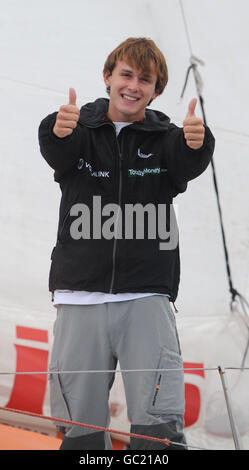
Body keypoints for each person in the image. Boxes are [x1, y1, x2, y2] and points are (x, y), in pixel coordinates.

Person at [38, 37, 215, 450]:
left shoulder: (166, 138)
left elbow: (187, 159)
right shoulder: (79, 129)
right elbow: (58, 149)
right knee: (80, 434)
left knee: (158, 432)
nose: (133, 86)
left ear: (156, 90)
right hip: (79, 297)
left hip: (146, 298)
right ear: (108, 77)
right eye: (126, 75)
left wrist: (197, 141)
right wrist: (56, 128)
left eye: (145, 79)